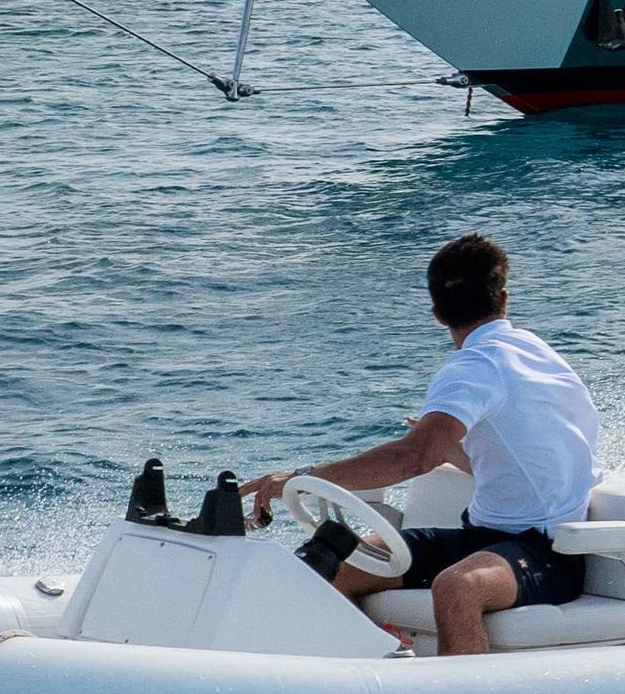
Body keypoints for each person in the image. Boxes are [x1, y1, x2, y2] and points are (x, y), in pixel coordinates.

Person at [246, 233, 600, 656]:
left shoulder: (475, 365)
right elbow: (528, 459)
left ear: (436, 314)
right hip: (482, 537)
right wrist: (454, 452)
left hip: (546, 551)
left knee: (457, 586)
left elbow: (414, 457)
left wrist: (302, 478)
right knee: (331, 564)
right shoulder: (537, 354)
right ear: (503, 300)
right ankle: (388, 668)